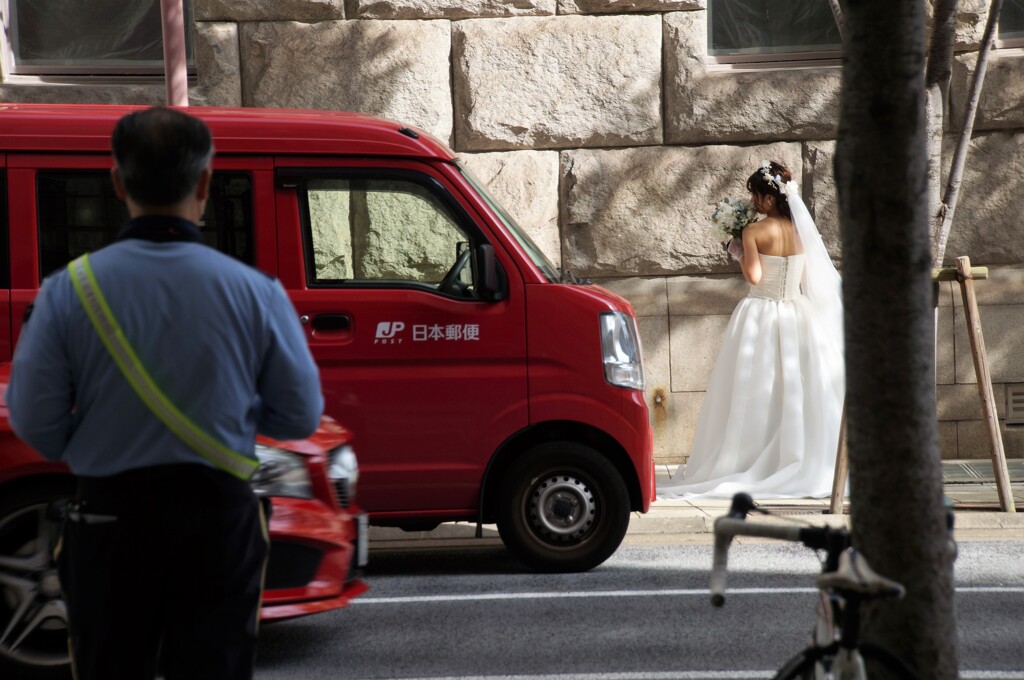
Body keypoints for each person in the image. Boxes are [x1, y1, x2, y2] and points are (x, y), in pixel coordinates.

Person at [5, 107, 324, 680]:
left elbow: (38, 424)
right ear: (205, 183)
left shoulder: (66, 292)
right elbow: (299, 414)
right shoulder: (256, 292)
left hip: (108, 521)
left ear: (117, 183)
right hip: (218, 521)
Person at [659, 161, 844, 499]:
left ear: (769, 198)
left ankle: (750, 459)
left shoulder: (753, 231)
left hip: (761, 312)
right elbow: (806, 279)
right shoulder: (801, 230)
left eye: (756, 196)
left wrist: (739, 250)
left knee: (755, 390)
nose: (754, 202)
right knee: (798, 391)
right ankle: (798, 457)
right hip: (796, 312)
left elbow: (755, 278)